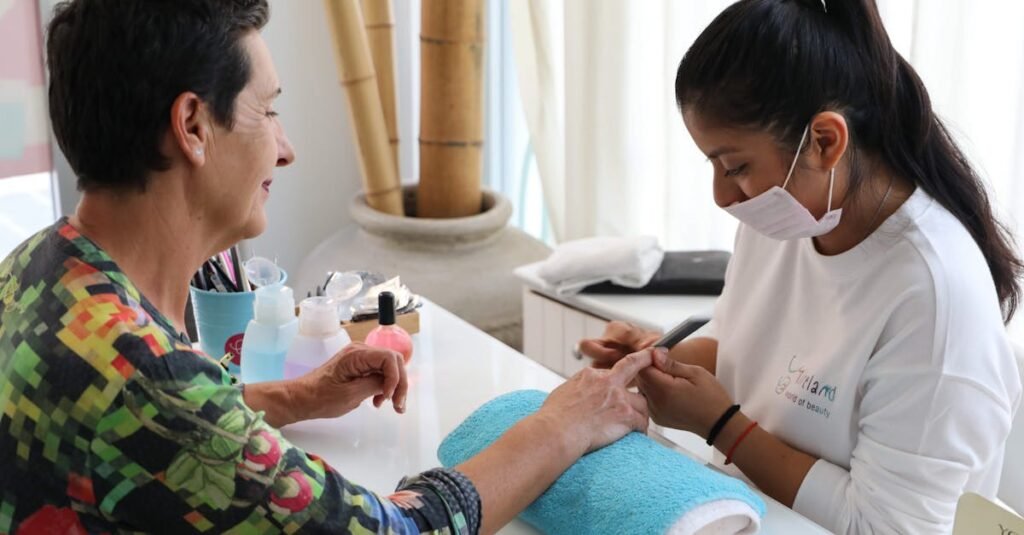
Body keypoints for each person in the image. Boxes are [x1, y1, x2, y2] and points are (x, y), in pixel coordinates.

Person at [0, 1, 653, 533]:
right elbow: (398, 530)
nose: (285, 149)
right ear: (193, 126)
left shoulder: (36, 266)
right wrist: (562, 423)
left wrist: (297, 395)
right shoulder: (153, 382)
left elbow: (140, 423)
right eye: (268, 110)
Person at [581, 0, 1022, 533]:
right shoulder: (785, 218)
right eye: (713, 165)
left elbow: (883, 526)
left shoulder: (934, 297)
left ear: (825, 142)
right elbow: (752, 352)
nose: (722, 195)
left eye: (735, 166)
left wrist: (721, 426)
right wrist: (660, 359)